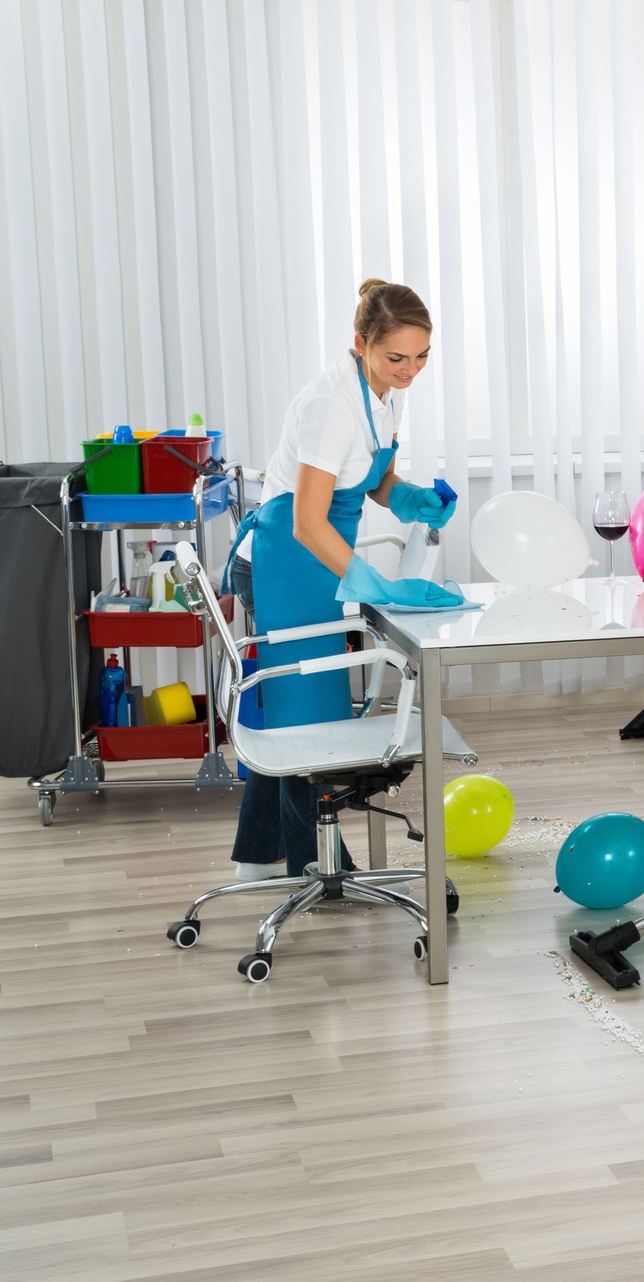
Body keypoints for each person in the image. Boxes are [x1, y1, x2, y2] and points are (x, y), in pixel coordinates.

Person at [227, 279, 464, 879]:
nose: (410, 370)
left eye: (421, 357)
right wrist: (374, 585)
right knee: (307, 720)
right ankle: (318, 866)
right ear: (360, 343)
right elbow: (308, 520)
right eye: (396, 358)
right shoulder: (329, 404)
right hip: (287, 558)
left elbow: (371, 477)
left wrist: (407, 497)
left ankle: (258, 857)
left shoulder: (384, 391)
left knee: (297, 711)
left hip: (319, 560)